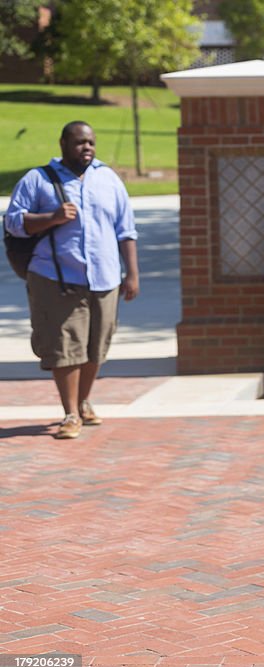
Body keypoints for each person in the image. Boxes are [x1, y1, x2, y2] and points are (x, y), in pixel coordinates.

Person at [3, 121, 139, 439]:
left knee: (96, 346)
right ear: (63, 143)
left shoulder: (108, 179)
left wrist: (131, 273)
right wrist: (52, 218)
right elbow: (12, 222)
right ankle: (70, 413)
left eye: (91, 142)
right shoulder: (38, 180)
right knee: (66, 347)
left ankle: (84, 401)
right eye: (79, 142)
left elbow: (126, 230)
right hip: (55, 277)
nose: (87, 148)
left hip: (104, 278)